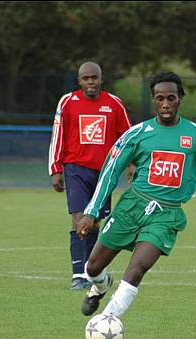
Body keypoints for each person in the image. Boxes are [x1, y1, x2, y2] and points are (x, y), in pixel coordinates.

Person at [77, 71, 196, 322]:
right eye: (160, 98)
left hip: (166, 215)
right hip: (132, 207)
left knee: (137, 269)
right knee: (92, 267)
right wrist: (91, 212)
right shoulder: (137, 134)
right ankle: (100, 286)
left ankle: (106, 321)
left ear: (180, 98)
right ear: (153, 100)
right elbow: (110, 171)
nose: (165, 103)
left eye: (171, 97)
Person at [48, 61, 132, 290]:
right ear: (79, 80)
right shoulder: (67, 102)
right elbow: (58, 135)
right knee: (78, 218)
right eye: (86, 78)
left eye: (94, 78)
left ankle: (89, 272)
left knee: (93, 222)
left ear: (101, 78)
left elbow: (127, 137)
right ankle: (77, 275)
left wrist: (131, 162)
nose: (91, 82)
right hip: (75, 168)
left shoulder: (114, 104)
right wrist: (55, 169)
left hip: (105, 172)